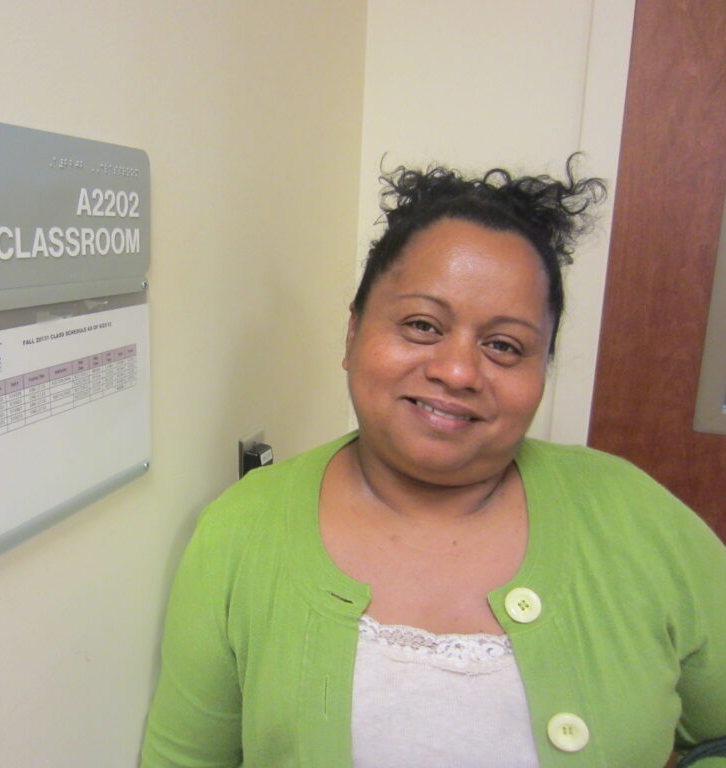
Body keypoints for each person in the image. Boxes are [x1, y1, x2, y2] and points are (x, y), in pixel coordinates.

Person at [141, 160, 726, 768]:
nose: (458, 371)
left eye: (504, 346)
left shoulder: (639, 517)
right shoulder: (240, 531)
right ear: (352, 334)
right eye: (422, 325)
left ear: (541, 371)